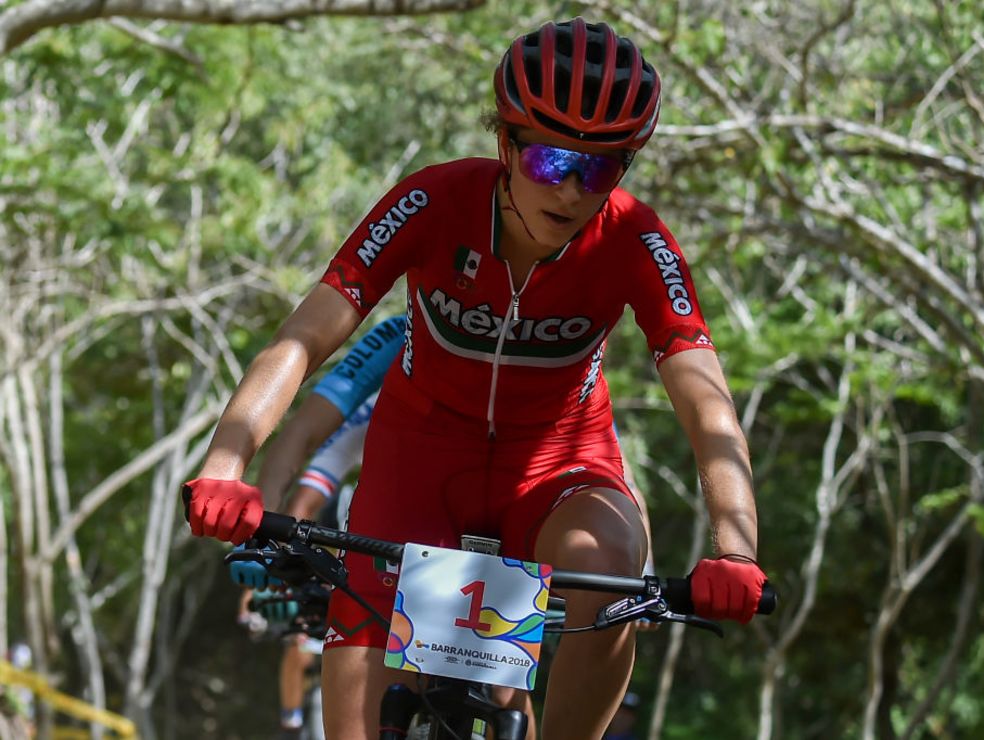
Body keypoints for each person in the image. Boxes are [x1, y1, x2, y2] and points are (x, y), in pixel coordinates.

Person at [183, 17, 765, 740]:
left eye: (602, 168)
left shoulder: (634, 239)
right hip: (419, 461)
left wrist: (736, 549)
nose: (574, 191)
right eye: (552, 162)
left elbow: (706, 406)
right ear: (504, 142)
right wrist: (223, 466)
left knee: (608, 563)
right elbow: (302, 340)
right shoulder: (433, 201)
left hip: (560, 467)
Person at [231, 316, 407, 735]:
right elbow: (305, 496)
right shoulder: (396, 349)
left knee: (503, 684)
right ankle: (292, 723)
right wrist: (266, 561)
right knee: (305, 644)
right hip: (375, 540)